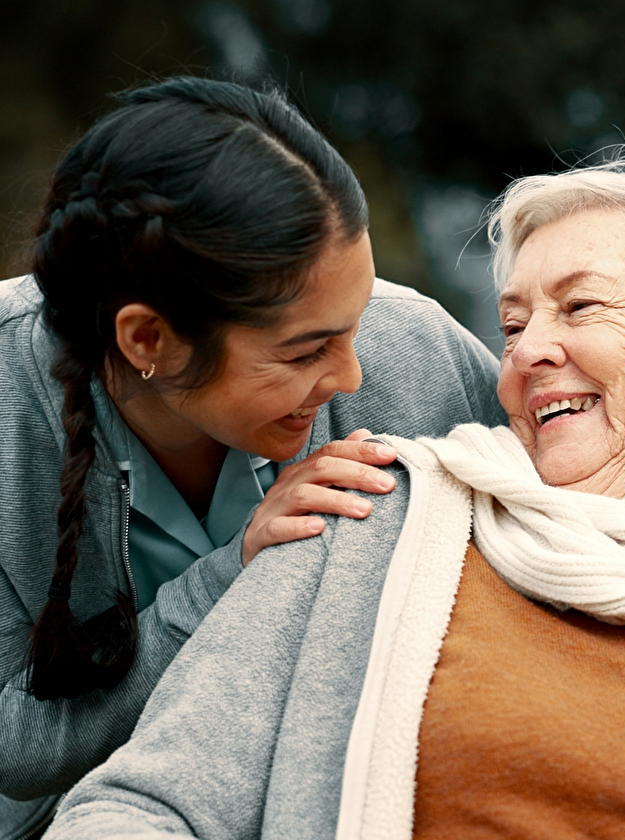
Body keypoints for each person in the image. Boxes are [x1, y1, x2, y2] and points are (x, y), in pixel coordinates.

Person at [45, 150, 625, 840]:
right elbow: (141, 808)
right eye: (511, 324)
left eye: (580, 308)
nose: (525, 350)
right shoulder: (367, 520)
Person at [0, 77, 506, 838]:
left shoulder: (419, 354)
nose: (350, 378)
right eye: (304, 351)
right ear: (147, 340)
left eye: (356, 324)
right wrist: (234, 572)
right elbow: (15, 741)